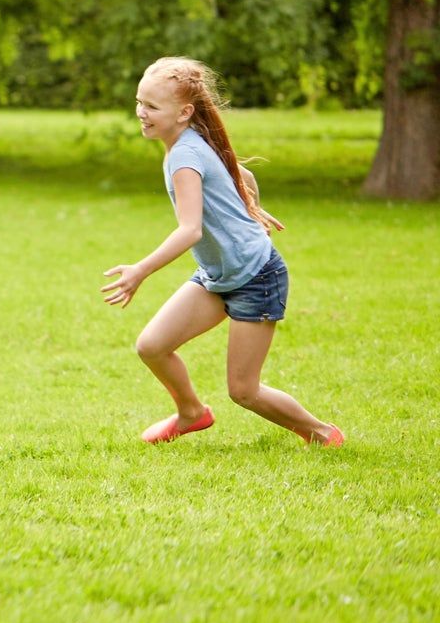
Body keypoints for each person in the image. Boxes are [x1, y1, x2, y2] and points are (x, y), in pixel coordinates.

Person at [102, 56, 343, 446]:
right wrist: (248, 206)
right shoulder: (191, 139)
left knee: (244, 391)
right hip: (218, 277)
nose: (141, 113)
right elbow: (241, 173)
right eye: (139, 102)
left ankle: (323, 434)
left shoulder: (184, 154)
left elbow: (190, 230)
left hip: (256, 277)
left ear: (184, 113)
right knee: (152, 346)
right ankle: (192, 413)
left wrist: (140, 270)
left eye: (151, 106)